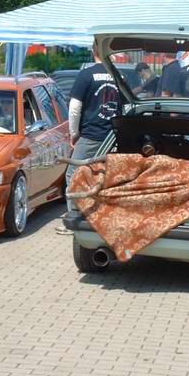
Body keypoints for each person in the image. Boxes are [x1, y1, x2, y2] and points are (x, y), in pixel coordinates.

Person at [56, 43, 122, 234]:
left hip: (91, 135)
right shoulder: (118, 75)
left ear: (94, 51)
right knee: (108, 177)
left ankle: (74, 221)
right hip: (113, 136)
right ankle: (106, 220)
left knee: (73, 174)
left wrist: (73, 133)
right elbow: (125, 107)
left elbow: (75, 107)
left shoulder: (86, 74)